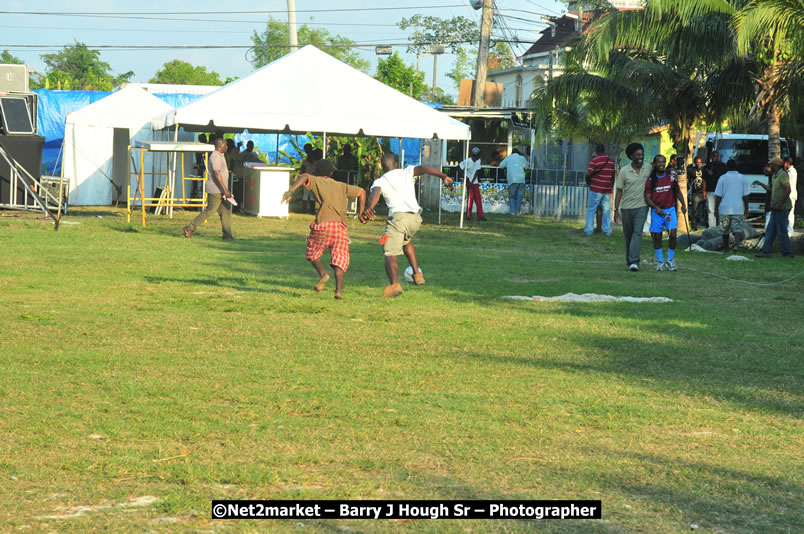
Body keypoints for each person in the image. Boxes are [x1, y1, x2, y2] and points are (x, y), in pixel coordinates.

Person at [360, 153, 454, 298]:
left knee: (389, 251)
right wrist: (444, 177)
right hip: (415, 219)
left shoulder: (380, 181)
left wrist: (369, 207)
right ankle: (417, 274)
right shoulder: (407, 171)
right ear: (396, 163)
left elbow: (375, 194)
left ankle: (394, 285)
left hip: (398, 218)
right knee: (406, 241)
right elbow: (424, 168)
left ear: (382, 166)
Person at [282, 159, 366, 300]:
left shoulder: (316, 181)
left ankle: (323, 274)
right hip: (340, 227)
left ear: (316, 171)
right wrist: (361, 211)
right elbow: (361, 192)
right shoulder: (341, 185)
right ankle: (338, 291)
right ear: (332, 172)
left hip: (323, 225)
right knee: (340, 259)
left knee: (313, 251)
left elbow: (304, 177)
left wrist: (291, 191)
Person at [182, 138, 234, 241]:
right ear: (220, 146)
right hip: (216, 190)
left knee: (226, 211)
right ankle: (189, 227)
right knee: (210, 211)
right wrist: (225, 190)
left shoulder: (220, 156)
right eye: (225, 145)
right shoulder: (215, 156)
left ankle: (227, 236)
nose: (227, 147)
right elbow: (216, 173)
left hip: (221, 190)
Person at [644, 154, 687, 271]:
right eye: (659, 162)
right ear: (654, 164)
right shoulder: (651, 180)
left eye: (663, 162)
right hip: (657, 211)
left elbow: (677, 191)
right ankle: (660, 262)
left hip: (670, 210)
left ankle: (670, 260)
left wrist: (683, 204)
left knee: (673, 235)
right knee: (657, 237)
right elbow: (647, 197)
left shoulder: (671, 177)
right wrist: (655, 207)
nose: (661, 164)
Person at [614, 143, 651, 271]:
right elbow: (619, 191)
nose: (641, 157)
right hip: (626, 207)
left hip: (642, 206)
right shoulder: (624, 171)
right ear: (631, 156)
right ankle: (629, 260)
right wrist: (616, 210)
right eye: (638, 155)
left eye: (642, 154)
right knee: (628, 235)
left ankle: (634, 261)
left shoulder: (648, 168)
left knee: (637, 233)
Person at [754, 157, 794, 258]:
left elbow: (788, 190)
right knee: (770, 229)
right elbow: (773, 190)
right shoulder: (775, 175)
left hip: (783, 207)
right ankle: (767, 251)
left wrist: (780, 203)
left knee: (781, 231)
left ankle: (787, 253)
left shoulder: (783, 175)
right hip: (776, 208)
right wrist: (772, 203)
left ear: (776, 165)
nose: (769, 166)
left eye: (771, 164)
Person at [714, 159, 749, 250]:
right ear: (736, 166)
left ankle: (726, 246)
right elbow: (745, 196)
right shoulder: (742, 177)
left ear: (727, 167)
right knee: (737, 229)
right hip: (738, 208)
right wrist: (747, 208)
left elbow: (718, 196)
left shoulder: (722, 178)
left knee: (725, 229)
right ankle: (736, 245)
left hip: (724, 208)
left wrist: (716, 208)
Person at [583, 143, 616, 236]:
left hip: (595, 189)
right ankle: (607, 231)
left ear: (596, 151)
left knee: (591, 210)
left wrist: (588, 182)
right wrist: (611, 187)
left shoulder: (594, 161)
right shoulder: (611, 162)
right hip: (606, 190)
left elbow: (588, 174)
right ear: (604, 150)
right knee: (606, 211)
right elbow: (613, 175)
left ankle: (588, 230)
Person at [498, 148, 529, 215]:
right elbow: (527, 166)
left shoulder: (508, 158)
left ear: (512, 152)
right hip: (521, 180)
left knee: (512, 196)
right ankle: (517, 212)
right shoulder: (522, 158)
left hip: (512, 179)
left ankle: (512, 212)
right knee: (519, 196)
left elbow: (501, 166)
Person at [459, 147, 486, 221]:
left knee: (478, 199)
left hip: (474, 182)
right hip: (469, 182)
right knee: (470, 199)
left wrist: (472, 181)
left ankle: (481, 215)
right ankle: (468, 215)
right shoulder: (467, 161)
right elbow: (458, 167)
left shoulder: (478, 161)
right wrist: (465, 177)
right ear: (476, 155)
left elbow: (476, 172)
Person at [703, 150, 727, 228]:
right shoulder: (707, 166)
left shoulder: (723, 166)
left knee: (721, 209)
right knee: (711, 209)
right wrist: (704, 190)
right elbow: (704, 179)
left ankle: (721, 226)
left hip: (721, 191)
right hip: (710, 190)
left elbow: (726, 179)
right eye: (713, 156)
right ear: (711, 157)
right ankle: (712, 227)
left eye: (716, 156)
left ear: (718, 157)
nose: (714, 158)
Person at [687, 156, 707, 230]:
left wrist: (704, 190)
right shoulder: (691, 170)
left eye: (700, 162)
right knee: (694, 209)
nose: (699, 164)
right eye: (697, 162)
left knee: (703, 209)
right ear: (695, 163)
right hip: (695, 193)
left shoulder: (704, 170)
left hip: (703, 192)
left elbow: (705, 180)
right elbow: (688, 180)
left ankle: (704, 223)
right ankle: (694, 225)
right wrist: (690, 185)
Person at [299, 143, 316, 213]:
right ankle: (308, 210)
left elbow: (302, 170)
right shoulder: (307, 161)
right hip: (309, 177)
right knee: (309, 195)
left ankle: (307, 210)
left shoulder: (306, 161)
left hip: (308, 177)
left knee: (308, 195)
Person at [783, 157, 797, 235]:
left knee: (790, 214)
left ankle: (790, 231)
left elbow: (786, 182)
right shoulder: (789, 171)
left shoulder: (792, 172)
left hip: (791, 195)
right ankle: (787, 230)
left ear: (787, 163)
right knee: (786, 214)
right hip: (788, 195)